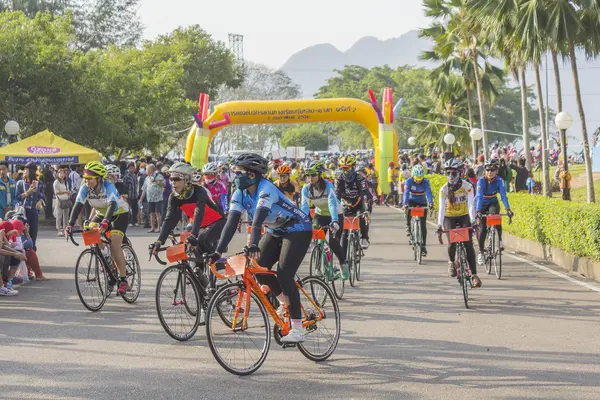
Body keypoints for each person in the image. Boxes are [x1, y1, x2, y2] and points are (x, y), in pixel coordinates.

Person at [207, 153, 312, 343]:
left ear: (252, 175)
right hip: (275, 230)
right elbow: (230, 224)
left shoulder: (267, 189)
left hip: (298, 229)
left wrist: (254, 244)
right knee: (259, 268)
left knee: (284, 273)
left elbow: (256, 224)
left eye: (239, 172)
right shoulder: (239, 192)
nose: (235, 176)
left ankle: (298, 328)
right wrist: (217, 252)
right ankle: (285, 303)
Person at [66, 162, 131, 295]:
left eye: (89, 178)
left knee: (114, 242)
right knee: (90, 231)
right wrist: (70, 224)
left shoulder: (108, 185)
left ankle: (123, 280)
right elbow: (77, 206)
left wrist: (106, 221)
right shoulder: (85, 188)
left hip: (119, 214)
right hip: (101, 214)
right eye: (85, 178)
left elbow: (112, 204)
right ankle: (106, 257)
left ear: (99, 178)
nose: (86, 181)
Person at [151, 162, 226, 273]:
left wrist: (194, 235)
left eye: (176, 179)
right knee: (190, 247)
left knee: (201, 240)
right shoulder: (174, 196)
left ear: (186, 179)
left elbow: (198, 212)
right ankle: (200, 279)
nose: (172, 182)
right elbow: (170, 219)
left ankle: (219, 265)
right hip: (200, 224)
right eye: (171, 179)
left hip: (217, 221)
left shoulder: (199, 191)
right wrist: (159, 241)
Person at [436, 159, 480, 287]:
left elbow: (471, 205)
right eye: (447, 173)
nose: (450, 176)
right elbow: (442, 209)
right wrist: (439, 225)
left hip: (464, 216)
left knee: (468, 244)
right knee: (452, 242)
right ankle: (451, 262)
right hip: (449, 218)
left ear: (460, 173)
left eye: (453, 173)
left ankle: (474, 275)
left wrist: (473, 220)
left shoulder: (467, 186)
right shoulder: (443, 190)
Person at [301, 160, 347, 279]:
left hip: (335, 214)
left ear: (319, 174)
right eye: (308, 175)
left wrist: (335, 221)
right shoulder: (306, 189)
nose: (310, 178)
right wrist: (303, 223)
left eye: (313, 174)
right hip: (320, 215)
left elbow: (332, 204)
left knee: (333, 242)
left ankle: (343, 263)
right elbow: (304, 208)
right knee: (316, 239)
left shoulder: (328, 185)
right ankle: (319, 266)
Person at [475, 160, 514, 265]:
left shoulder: (499, 180)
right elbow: (478, 197)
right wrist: (478, 211)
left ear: (496, 171)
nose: (490, 172)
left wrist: (508, 209)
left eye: (492, 170)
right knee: (482, 229)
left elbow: (503, 196)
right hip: (482, 204)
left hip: (493, 202)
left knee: (496, 219)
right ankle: (481, 252)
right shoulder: (481, 181)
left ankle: (500, 240)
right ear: (485, 171)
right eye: (487, 170)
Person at [335, 155, 371, 250]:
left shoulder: (359, 177)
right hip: (346, 203)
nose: (345, 171)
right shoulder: (339, 179)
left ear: (353, 167)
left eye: (347, 168)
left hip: (358, 202)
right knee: (345, 231)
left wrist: (367, 206)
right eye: (343, 168)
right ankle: (344, 258)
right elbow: (337, 194)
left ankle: (364, 238)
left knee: (362, 217)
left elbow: (364, 191)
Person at [402, 164, 434, 257]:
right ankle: (408, 226)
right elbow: (406, 193)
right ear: (413, 176)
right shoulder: (408, 181)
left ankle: (423, 246)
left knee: (423, 225)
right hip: (411, 201)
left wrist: (431, 203)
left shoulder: (426, 181)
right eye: (417, 179)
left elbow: (428, 193)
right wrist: (405, 204)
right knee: (408, 210)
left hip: (422, 202)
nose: (418, 181)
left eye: (420, 179)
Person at [15, 162, 44, 250]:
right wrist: (28, 192)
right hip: (22, 213)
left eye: (26, 169)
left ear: (31, 171)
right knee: (22, 234)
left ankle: (32, 254)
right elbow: (17, 197)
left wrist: (40, 201)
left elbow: (41, 195)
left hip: (33, 212)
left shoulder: (39, 183)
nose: (24, 171)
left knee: (33, 234)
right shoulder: (20, 183)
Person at [140, 164, 164, 233]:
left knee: (157, 213)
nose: (146, 171)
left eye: (146, 169)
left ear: (150, 170)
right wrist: (141, 198)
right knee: (151, 213)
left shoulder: (158, 176)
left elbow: (163, 184)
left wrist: (156, 181)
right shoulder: (147, 178)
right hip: (150, 198)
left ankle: (159, 228)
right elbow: (144, 189)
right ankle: (152, 227)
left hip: (158, 198)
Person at [53, 167, 71, 236]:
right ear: (58, 174)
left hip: (66, 200)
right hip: (59, 201)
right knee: (59, 216)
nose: (62, 175)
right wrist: (65, 192)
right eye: (60, 173)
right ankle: (59, 230)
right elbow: (57, 192)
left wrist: (68, 192)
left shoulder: (65, 182)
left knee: (66, 216)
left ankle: (65, 229)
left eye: (63, 173)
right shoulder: (56, 182)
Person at [123, 162, 139, 227]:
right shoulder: (126, 177)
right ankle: (129, 221)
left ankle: (134, 221)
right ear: (128, 169)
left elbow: (137, 185)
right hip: (129, 195)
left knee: (135, 209)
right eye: (130, 168)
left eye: (133, 168)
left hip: (135, 195)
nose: (132, 169)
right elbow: (124, 186)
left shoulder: (135, 176)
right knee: (129, 209)